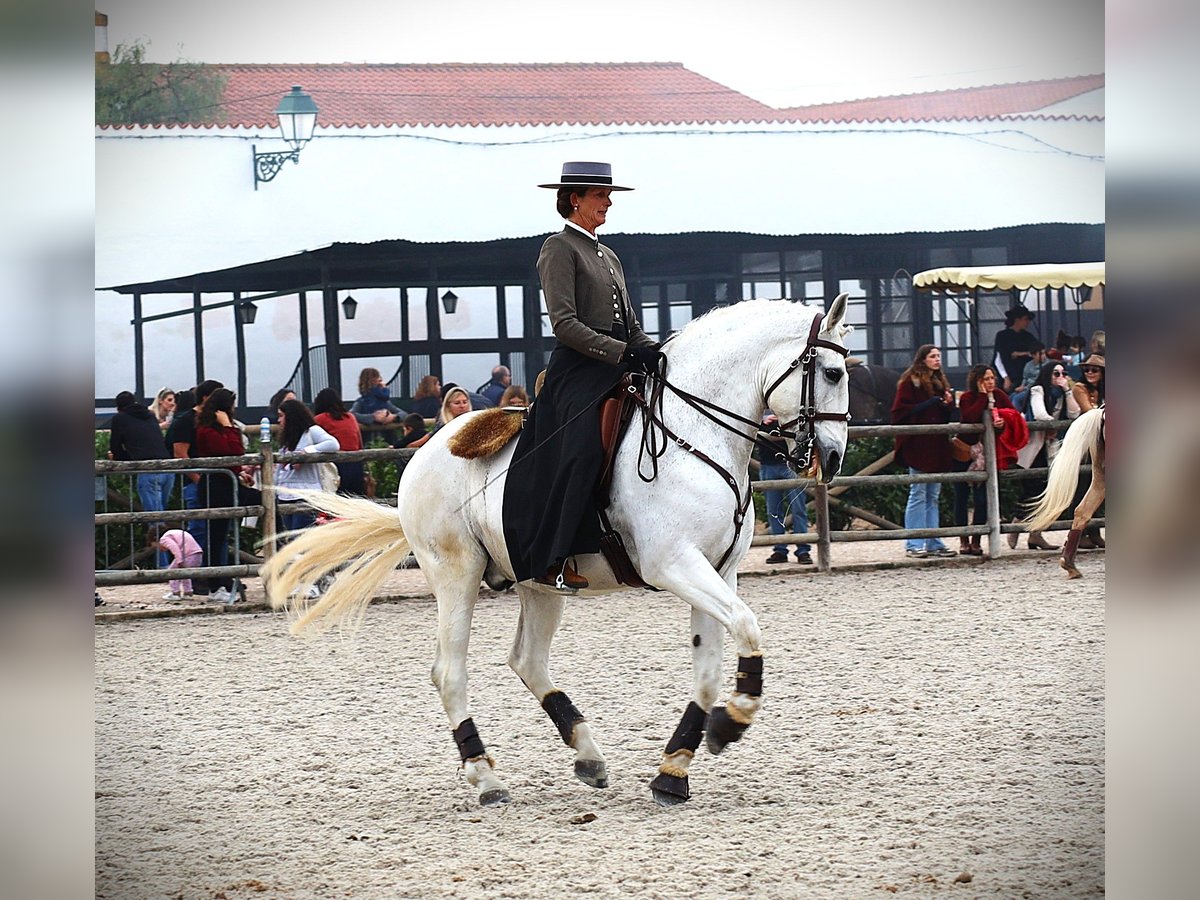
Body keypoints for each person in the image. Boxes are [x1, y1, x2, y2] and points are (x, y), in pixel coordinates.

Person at [503, 161, 661, 591]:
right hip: (579, 368)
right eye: (600, 196)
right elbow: (565, 324)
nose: (608, 202)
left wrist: (653, 350)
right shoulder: (558, 248)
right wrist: (620, 352)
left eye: (608, 196)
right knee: (583, 450)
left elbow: (630, 323)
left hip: (619, 359)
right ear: (576, 199)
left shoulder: (608, 254)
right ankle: (553, 556)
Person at [891, 345, 957, 559]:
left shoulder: (939, 383)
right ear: (923, 359)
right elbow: (900, 412)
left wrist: (947, 404)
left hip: (936, 445)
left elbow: (944, 416)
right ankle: (914, 542)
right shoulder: (911, 381)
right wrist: (929, 403)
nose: (937, 360)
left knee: (933, 495)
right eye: (932, 356)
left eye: (939, 356)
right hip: (918, 445)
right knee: (918, 493)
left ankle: (933, 541)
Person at [193, 387, 259, 602]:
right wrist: (229, 426)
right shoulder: (208, 430)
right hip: (216, 488)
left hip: (228, 484)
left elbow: (234, 455)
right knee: (216, 536)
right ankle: (214, 585)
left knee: (262, 501)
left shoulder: (218, 428)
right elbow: (234, 451)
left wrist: (239, 473)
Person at [1009, 361, 1081, 551]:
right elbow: (1040, 414)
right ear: (1047, 374)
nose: (1060, 376)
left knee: (1048, 491)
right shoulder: (1038, 390)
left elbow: (1075, 413)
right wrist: (1052, 426)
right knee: (1032, 488)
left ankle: (1035, 534)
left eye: (1063, 373)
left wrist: (1066, 390)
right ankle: (1017, 522)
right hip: (1033, 447)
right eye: (1056, 373)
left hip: (1051, 447)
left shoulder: (1063, 393)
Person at [108, 390, 174, 567]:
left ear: (119, 408)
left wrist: (122, 459)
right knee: (164, 515)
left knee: (154, 520)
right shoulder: (150, 416)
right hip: (168, 469)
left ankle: (164, 565)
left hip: (147, 470)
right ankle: (175, 560)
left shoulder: (120, 419)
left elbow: (115, 446)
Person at [952, 365, 1014, 555]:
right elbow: (969, 416)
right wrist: (982, 397)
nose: (990, 382)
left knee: (981, 500)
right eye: (986, 379)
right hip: (964, 451)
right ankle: (963, 539)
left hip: (986, 454)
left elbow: (1011, 414)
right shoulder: (967, 398)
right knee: (961, 497)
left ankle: (977, 538)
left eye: (992, 378)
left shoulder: (1000, 395)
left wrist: (1001, 424)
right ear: (977, 380)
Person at [164, 379, 222, 558]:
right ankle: (198, 575)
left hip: (214, 481)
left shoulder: (215, 419)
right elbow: (180, 453)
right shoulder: (186, 420)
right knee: (199, 531)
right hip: (196, 483)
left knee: (218, 531)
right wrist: (198, 479)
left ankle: (221, 575)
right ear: (206, 398)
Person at [274, 398, 340, 535]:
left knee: (300, 536)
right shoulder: (287, 438)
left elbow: (333, 443)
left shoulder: (311, 431)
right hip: (286, 493)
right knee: (290, 536)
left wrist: (307, 453)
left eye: (281, 416)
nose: (279, 420)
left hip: (307, 491)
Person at [758, 410, 812, 565]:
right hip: (768, 463)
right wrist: (763, 419)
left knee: (798, 509)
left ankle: (803, 550)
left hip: (792, 463)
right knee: (773, 511)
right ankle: (779, 549)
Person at [1069, 354, 1106, 550]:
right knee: (1083, 486)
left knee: (1097, 488)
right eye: (1087, 370)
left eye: (1095, 370)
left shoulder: (1103, 390)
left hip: (1098, 440)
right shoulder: (1079, 388)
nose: (1090, 373)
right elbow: (1088, 411)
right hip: (1084, 441)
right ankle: (1082, 534)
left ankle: (1093, 533)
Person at [312, 387, 365, 496]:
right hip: (355, 460)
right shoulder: (350, 417)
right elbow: (359, 440)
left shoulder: (319, 419)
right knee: (355, 498)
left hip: (335, 462)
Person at [351, 367, 407, 446]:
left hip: (370, 443)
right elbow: (352, 414)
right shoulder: (383, 402)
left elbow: (404, 414)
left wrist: (394, 417)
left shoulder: (362, 401)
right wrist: (373, 417)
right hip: (382, 441)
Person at [993, 304, 1040, 393]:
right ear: (1017, 320)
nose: (1028, 322)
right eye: (1025, 319)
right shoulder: (1002, 336)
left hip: (1023, 376)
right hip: (1006, 376)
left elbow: (1037, 351)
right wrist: (1005, 378)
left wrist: (1022, 353)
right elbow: (998, 359)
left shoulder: (1028, 337)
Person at [149, 525, 202, 600]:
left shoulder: (164, 539)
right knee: (185, 573)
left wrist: (179, 560)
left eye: (156, 547)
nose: (159, 550)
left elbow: (175, 548)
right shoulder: (174, 532)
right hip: (197, 554)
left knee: (171, 572)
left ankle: (175, 593)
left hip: (186, 555)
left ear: (155, 539)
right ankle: (188, 592)